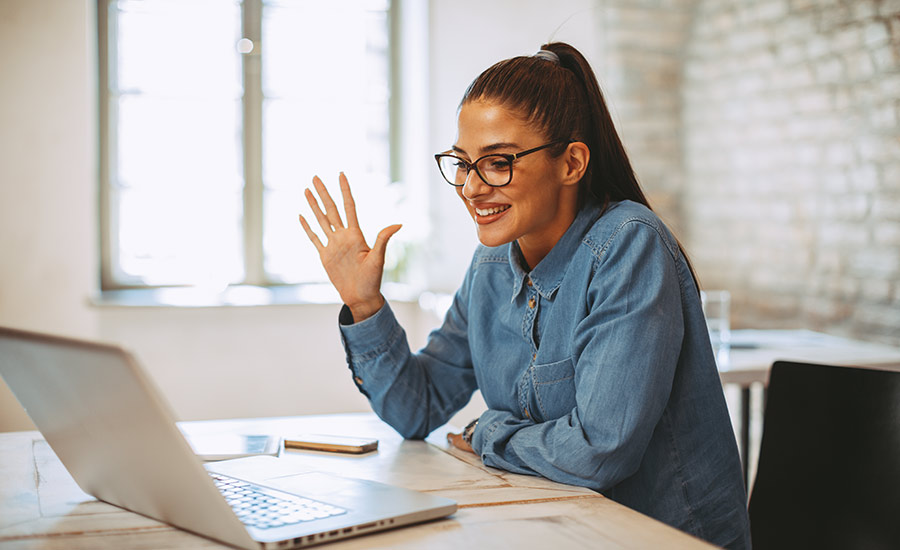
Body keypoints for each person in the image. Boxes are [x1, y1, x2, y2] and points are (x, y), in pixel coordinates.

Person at [299, 42, 751, 549]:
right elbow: (417, 408)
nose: (471, 187)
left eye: (497, 162)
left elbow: (599, 451)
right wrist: (365, 305)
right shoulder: (491, 266)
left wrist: (489, 433)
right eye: (462, 163)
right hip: (552, 528)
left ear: (572, 163)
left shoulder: (628, 244)